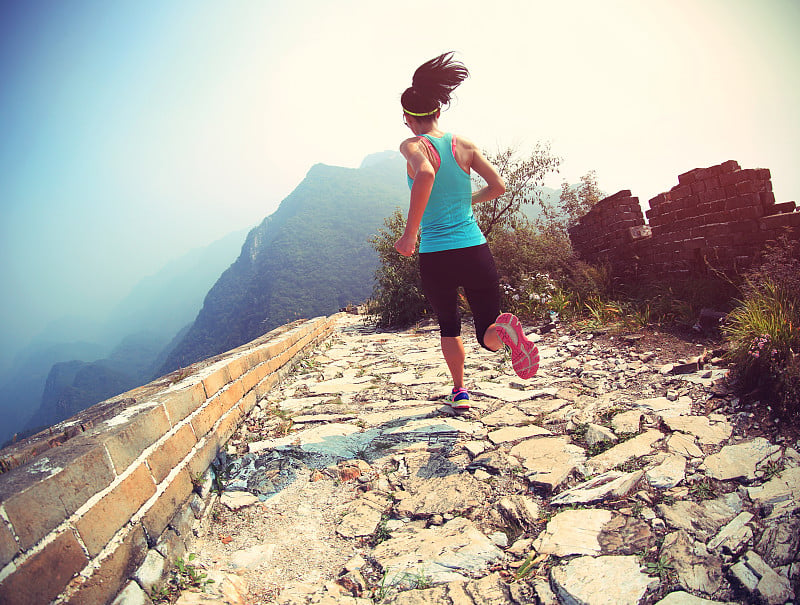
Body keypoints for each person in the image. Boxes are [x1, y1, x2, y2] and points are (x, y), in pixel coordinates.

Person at [394, 52, 539, 410]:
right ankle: (502, 333)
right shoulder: (465, 145)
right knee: (487, 330)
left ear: (407, 118)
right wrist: (465, 201)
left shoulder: (412, 145)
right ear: (439, 112)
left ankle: (460, 391)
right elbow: (499, 186)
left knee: (449, 325)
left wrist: (409, 233)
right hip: (474, 248)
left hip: (437, 254)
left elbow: (426, 173)